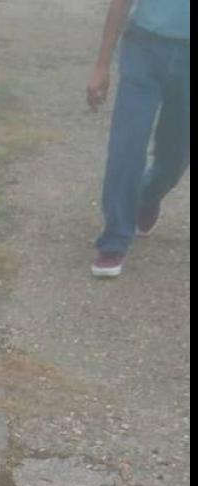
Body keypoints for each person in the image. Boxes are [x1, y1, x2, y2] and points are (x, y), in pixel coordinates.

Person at [86, 0, 189, 278]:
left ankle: (149, 195)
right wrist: (102, 65)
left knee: (175, 156)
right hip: (144, 50)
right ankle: (114, 239)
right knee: (126, 146)